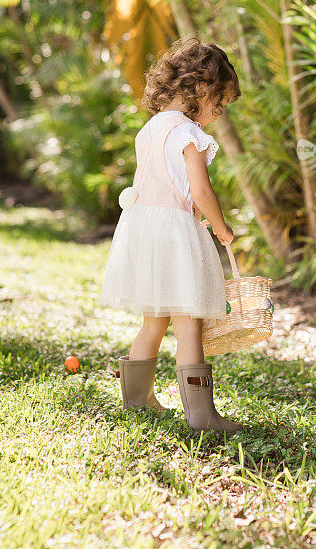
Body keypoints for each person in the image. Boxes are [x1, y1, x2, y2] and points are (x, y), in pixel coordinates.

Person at [98, 37, 243, 435]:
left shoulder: (150, 129)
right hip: (175, 235)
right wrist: (221, 227)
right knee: (188, 323)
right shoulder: (189, 134)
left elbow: (164, 183)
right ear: (200, 89)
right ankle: (201, 415)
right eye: (220, 101)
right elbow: (200, 191)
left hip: (143, 231)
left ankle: (136, 400)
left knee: (153, 321)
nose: (219, 112)